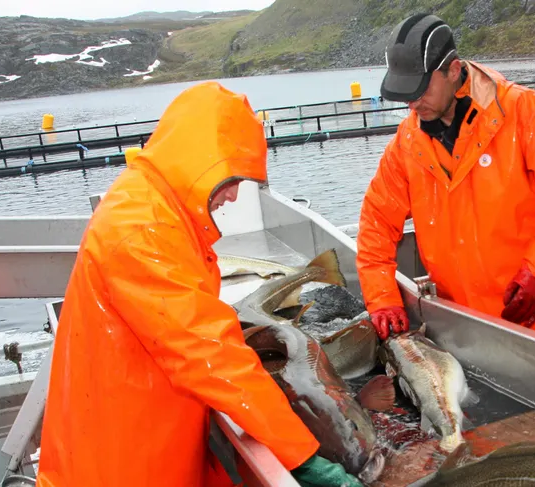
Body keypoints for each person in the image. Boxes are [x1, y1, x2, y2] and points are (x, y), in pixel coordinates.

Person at [36, 82, 361, 487]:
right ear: (205, 164)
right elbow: (206, 350)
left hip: (143, 437)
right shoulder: (143, 227)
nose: (234, 197)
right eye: (233, 179)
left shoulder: (151, 205)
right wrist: (301, 455)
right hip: (119, 463)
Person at [356, 14, 535, 354]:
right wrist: (382, 299)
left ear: (452, 70)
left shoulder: (532, 113)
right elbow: (376, 223)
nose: (413, 103)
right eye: (406, 92)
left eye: (421, 88)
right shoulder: (405, 144)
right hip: (481, 337)